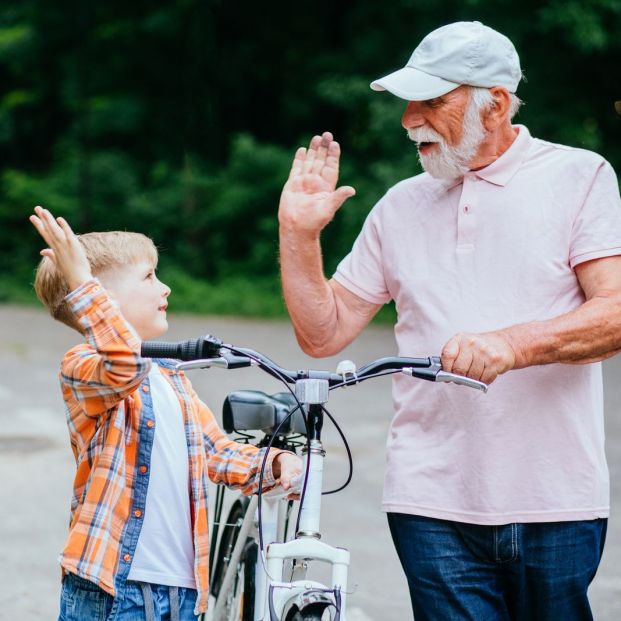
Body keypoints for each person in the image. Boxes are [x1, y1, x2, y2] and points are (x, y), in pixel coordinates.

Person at [278, 20, 621, 621]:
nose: (410, 117)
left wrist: (511, 345)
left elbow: (614, 314)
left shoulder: (580, 177)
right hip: (428, 499)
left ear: (494, 106)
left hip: (555, 497)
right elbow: (322, 333)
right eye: (410, 101)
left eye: (433, 100)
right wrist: (300, 236)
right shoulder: (399, 205)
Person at [29, 205, 301, 620]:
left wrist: (275, 464)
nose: (166, 287)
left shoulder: (172, 378)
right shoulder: (82, 366)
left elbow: (216, 452)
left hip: (183, 592)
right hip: (112, 589)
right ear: (103, 297)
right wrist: (82, 280)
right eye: (149, 276)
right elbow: (124, 364)